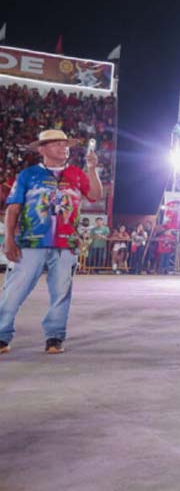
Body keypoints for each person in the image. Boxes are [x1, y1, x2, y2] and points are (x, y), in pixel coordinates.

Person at [1, 129, 102, 354]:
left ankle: (55, 337)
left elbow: (95, 196)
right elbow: (13, 208)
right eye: (57, 144)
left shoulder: (77, 174)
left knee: (61, 292)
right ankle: (2, 335)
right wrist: (9, 239)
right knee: (14, 290)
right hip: (31, 243)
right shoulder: (28, 175)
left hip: (66, 244)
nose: (63, 148)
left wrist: (92, 169)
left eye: (65, 144)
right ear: (42, 149)